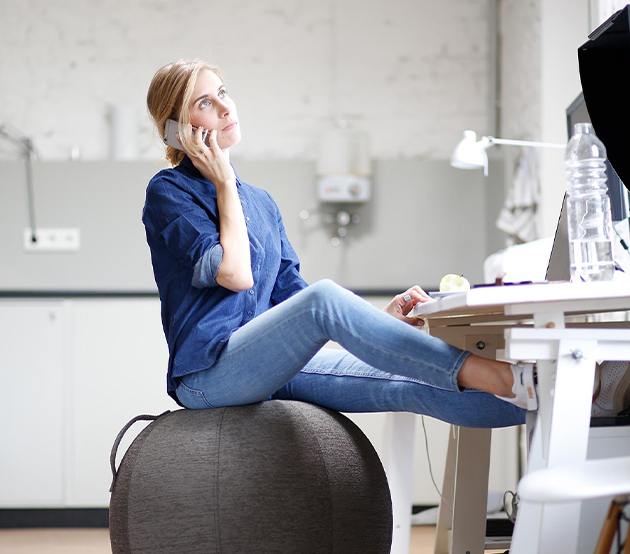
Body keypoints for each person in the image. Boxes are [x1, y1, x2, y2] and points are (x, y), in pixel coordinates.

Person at [142, 59, 629, 427]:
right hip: (210, 375)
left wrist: (380, 320)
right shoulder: (169, 192)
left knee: (409, 382)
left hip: (271, 363)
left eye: (224, 92)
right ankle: (506, 376)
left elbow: (290, 296)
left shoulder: (261, 202)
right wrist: (224, 183)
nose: (226, 106)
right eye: (205, 102)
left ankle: (585, 405)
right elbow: (236, 275)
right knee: (327, 297)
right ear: (178, 128)